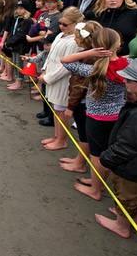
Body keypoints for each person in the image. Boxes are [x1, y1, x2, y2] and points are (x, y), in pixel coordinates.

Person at [62, 27, 127, 201]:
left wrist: (90, 52)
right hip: (118, 115)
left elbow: (66, 61)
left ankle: (96, 190)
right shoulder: (125, 66)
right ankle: (97, 182)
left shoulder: (94, 70)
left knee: (97, 155)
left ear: (96, 46)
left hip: (97, 117)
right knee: (107, 152)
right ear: (118, 44)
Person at [95, 58, 137, 238]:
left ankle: (121, 225)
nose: (124, 83)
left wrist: (107, 158)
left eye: (129, 81)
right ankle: (135, 219)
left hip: (131, 167)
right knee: (136, 195)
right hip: (136, 166)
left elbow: (127, 146)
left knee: (126, 195)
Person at [58, 21, 100, 174]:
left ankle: (80, 163)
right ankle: (79, 159)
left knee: (84, 134)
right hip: (83, 100)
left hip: (82, 102)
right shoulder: (90, 55)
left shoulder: (89, 58)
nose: (75, 39)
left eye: (77, 37)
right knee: (83, 133)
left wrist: (70, 106)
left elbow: (80, 86)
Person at [39, 7, 84, 150]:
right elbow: (51, 54)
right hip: (51, 76)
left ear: (76, 24)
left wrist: (49, 78)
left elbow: (67, 66)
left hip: (63, 81)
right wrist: (44, 69)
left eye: (65, 24)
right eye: (60, 23)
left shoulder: (75, 42)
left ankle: (62, 140)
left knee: (61, 111)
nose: (61, 26)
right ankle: (56, 136)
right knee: (55, 108)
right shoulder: (60, 35)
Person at [5, 0, 34, 91]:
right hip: (14, 45)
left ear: (26, 10)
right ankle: (17, 80)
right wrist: (9, 40)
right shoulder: (17, 18)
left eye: (21, 8)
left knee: (19, 64)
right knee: (14, 62)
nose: (18, 10)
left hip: (21, 46)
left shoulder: (27, 21)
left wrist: (10, 42)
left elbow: (21, 35)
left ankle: (19, 82)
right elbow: (13, 31)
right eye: (17, 8)